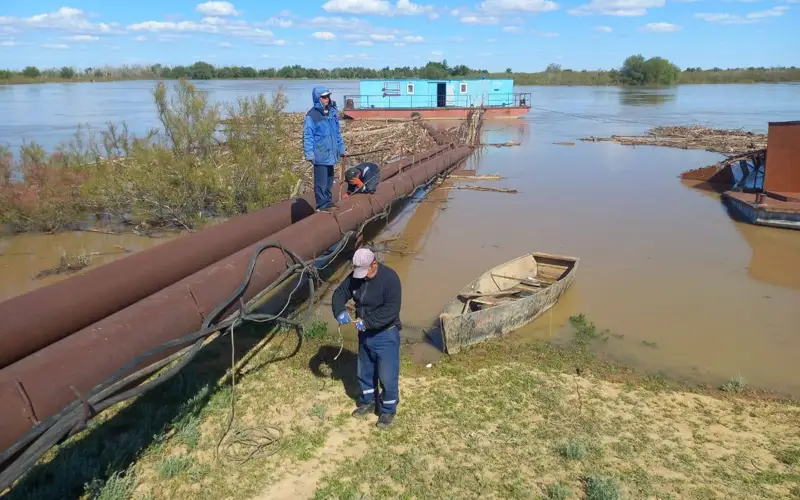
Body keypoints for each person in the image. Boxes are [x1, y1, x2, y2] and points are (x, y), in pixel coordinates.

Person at [332, 248, 402, 429]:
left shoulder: (390, 279)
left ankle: (387, 410)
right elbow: (339, 293)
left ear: (374, 264)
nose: (362, 277)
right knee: (365, 372)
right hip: (365, 336)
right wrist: (339, 311)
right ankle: (368, 401)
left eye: (365, 272)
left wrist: (368, 323)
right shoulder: (357, 277)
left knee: (387, 376)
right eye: (359, 273)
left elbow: (391, 310)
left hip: (385, 335)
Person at [303, 86, 346, 211]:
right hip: (320, 154)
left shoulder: (332, 113)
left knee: (329, 181)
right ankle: (321, 206)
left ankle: (328, 203)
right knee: (321, 183)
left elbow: (337, 133)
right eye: (323, 97)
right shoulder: (312, 115)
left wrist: (341, 148)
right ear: (317, 98)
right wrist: (309, 154)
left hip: (331, 154)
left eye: (327, 96)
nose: (326, 99)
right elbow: (308, 136)